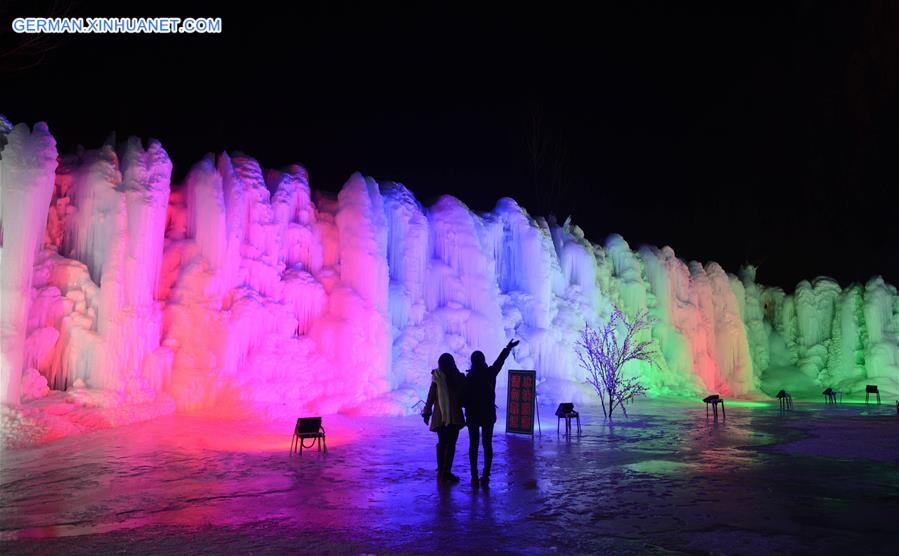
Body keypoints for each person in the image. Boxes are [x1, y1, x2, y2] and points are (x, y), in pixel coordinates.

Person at [464, 339, 519, 488]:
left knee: (473, 446)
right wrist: (507, 348)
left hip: (473, 416)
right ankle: (486, 476)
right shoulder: (490, 373)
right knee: (487, 445)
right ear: (483, 360)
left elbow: (464, 397)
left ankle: (474, 476)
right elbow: (499, 361)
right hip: (488, 415)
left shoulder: (469, 377)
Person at [422, 353, 467, 484]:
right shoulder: (458, 377)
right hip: (454, 417)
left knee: (442, 442)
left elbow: (431, 396)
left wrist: (427, 412)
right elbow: (465, 395)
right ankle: (446, 471)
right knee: (451, 444)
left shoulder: (437, 377)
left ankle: (441, 470)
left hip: (440, 416)